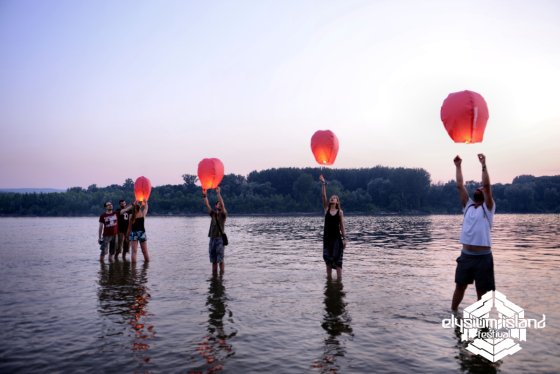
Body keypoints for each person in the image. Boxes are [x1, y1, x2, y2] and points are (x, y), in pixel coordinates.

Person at [451, 154, 496, 311]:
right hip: (466, 256)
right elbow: (459, 185)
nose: (480, 188)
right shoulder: (468, 206)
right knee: (460, 287)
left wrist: (483, 164)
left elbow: (487, 185)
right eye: (479, 187)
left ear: (485, 195)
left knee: (481, 292)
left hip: (483, 258)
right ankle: (453, 314)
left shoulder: (488, 208)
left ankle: (480, 322)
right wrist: (458, 166)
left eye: (482, 188)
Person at [320, 175, 347, 280]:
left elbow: (342, 226)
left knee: (338, 261)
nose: (332, 198)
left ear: (337, 201)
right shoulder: (326, 210)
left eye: (334, 197)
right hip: (327, 239)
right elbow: (323, 196)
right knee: (328, 261)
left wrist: (345, 239)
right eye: (331, 197)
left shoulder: (340, 212)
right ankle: (329, 279)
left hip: (337, 239)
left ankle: (339, 282)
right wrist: (323, 184)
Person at [203, 187, 227, 274]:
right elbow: (207, 205)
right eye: (218, 204)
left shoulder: (223, 214)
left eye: (220, 204)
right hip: (212, 239)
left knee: (220, 260)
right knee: (213, 261)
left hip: (219, 239)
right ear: (216, 206)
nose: (219, 205)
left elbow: (223, 204)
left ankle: (221, 278)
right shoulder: (213, 214)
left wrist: (218, 193)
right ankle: (214, 277)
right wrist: (205, 195)